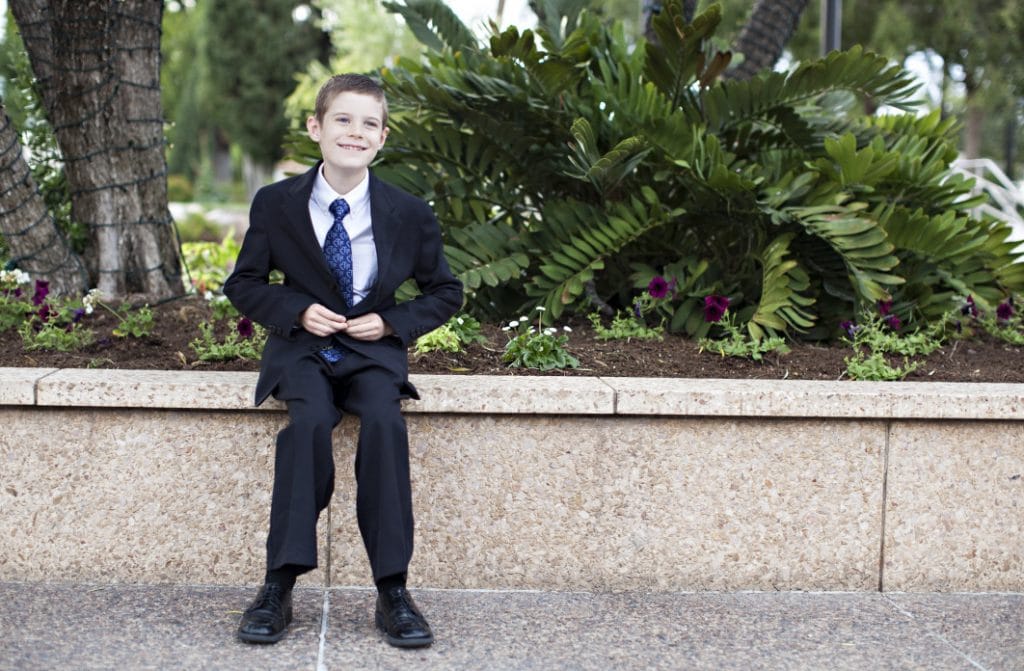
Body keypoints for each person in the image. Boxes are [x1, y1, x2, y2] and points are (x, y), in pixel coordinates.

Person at [223, 73, 463, 648]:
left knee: (383, 421)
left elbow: (444, 292)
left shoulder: (409, 212)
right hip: (303, 349)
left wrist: (393, 323)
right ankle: (277, 585)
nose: (355, 132)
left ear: (383, 137)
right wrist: (297, 310)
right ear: (316, 127)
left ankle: (393, 591)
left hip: (371, 353)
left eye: (369, 124)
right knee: (306, 423)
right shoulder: (276, 203)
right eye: (343, 120)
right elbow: (245, 282)